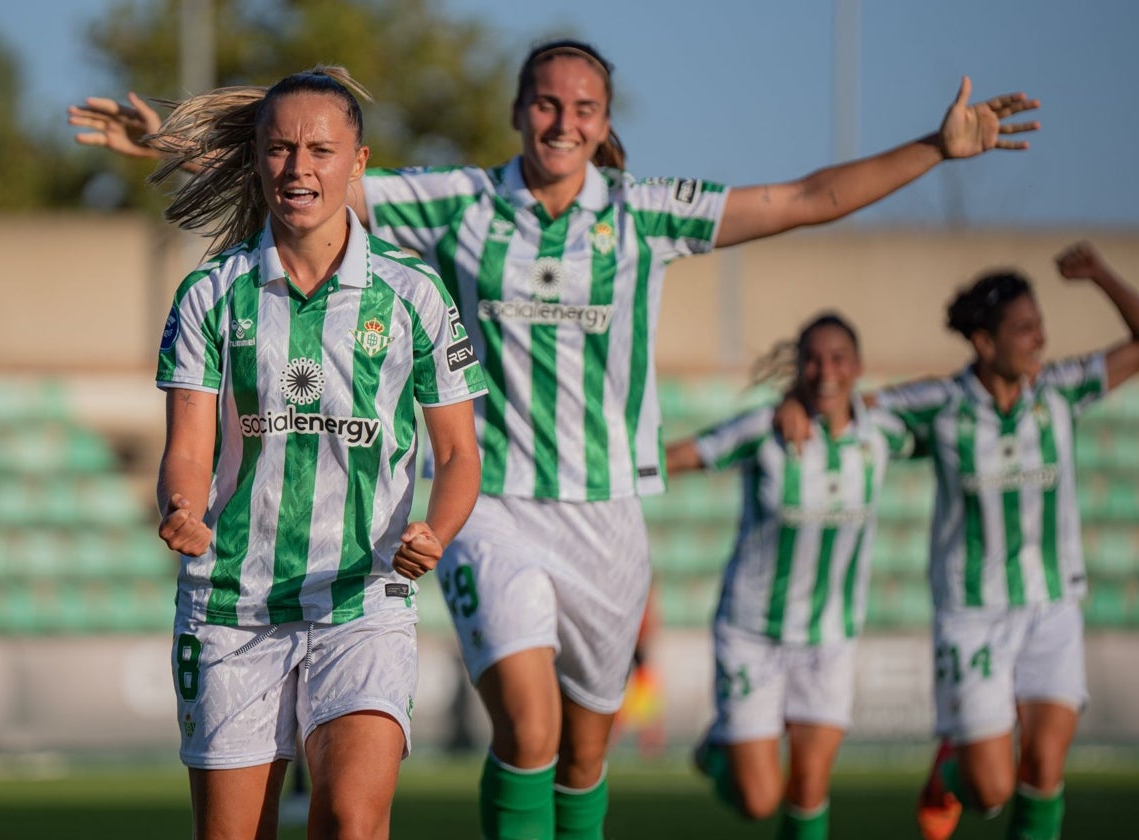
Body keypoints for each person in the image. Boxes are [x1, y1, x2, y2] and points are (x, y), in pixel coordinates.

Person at [71, 40, 1039, 840]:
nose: (563, 120)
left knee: (585, 749)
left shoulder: (644, 216)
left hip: (608, 514)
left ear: (604, 124)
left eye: (584, 107)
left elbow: (806, 200)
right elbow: (309, 177)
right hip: (489, 508)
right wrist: (174, 142)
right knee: (528, 727)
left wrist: (934, 149)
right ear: (519, 113)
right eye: (545, 102)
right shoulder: (459, 204)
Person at [152, 67, 486, 840]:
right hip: (233, 604)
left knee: (349, 821)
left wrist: (435, 527)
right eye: (279, 149)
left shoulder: (414, 296)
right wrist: (180, 507)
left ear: (359, 163)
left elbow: (459, 453)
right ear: (259, 159)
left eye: (320, 150)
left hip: (362, 601)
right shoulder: (211, 293)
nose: (298, 169)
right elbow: (188, 447)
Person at [779, 243, 1139, 840]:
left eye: (1040, 325)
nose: (1039, 340)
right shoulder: (939, 407)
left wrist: (1102, 275)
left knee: (1045, 768)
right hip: (972, 615)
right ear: (984, 341)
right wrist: (797, 400)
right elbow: (844, 408)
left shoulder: (1059, 392)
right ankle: (950, 767)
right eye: (1024, 329)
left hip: (1052, 606)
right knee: (991, 791)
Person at [664, 313, 913, 838]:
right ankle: (720, 747)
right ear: (798, 367)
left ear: (858, 367)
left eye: (838, 358)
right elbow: (685, 456)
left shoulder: (884, 434)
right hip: (753, 632)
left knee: (808, 792)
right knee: (758, 802)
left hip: (829, 637)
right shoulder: (765, 430)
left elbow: (954, 414)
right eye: (814, 359)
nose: (826, 370)